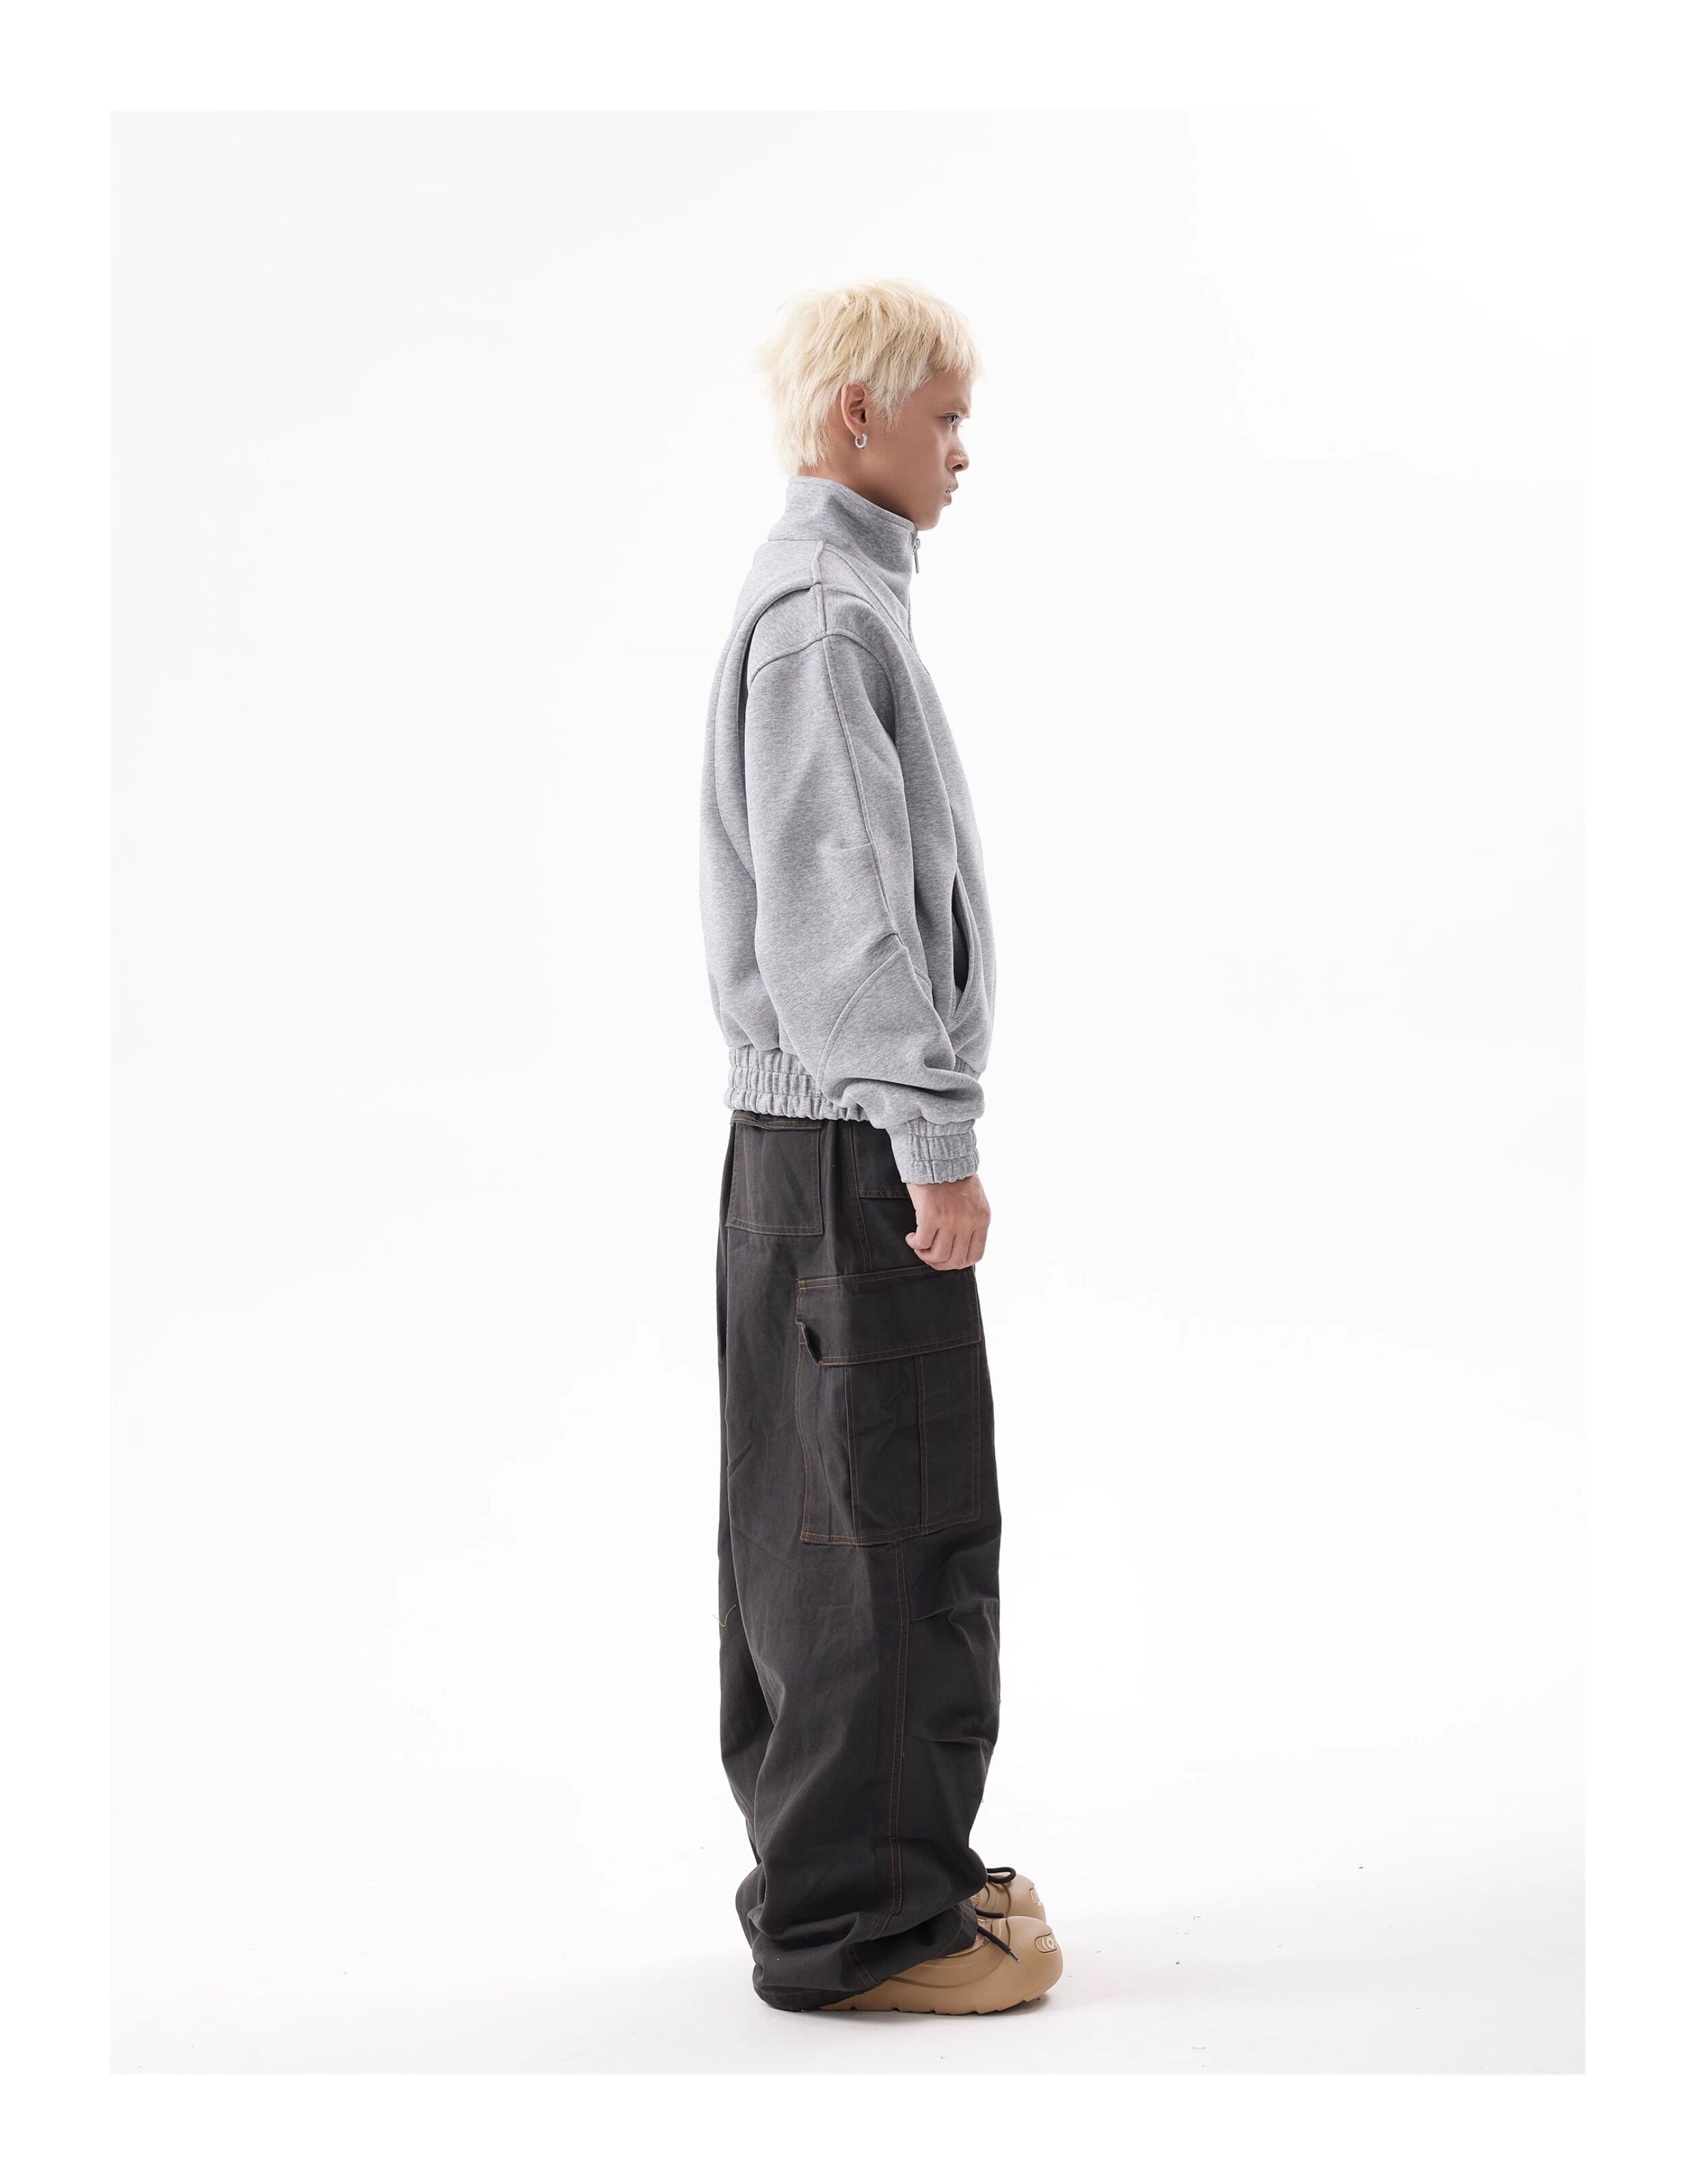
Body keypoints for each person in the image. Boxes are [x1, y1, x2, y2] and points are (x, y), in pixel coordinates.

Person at [697, 279, 1062, 2016]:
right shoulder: (825, 619)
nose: (962, 451)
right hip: (849, 1155)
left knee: (822, 1534)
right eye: (943, 418)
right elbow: (842, 922)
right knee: (886, 1540)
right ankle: (866, 1927)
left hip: (804, 1155)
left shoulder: (828, 600)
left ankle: (873, 1873)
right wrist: (935, 1136)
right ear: (860, 416)